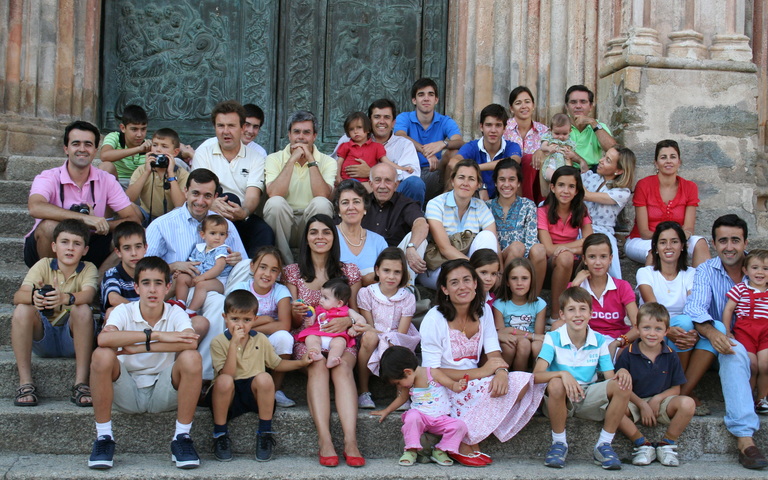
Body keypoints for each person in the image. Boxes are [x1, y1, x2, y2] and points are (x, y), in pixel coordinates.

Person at [419, 259, 545, 466]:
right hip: (444, 384)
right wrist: (484, 372)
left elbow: (494, 350)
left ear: (476, 284)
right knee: (494, 387)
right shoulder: (434, 318)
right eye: (455, 282)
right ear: (444, 289)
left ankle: (466, 435)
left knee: (523, 383)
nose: (463, 287)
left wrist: (502, 373)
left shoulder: (483, 311)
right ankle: (462, 442)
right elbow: (431, 371)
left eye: (467, 280)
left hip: (473, 382)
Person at [88, 257, 202, 470]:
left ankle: (182, 437)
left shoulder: (175, 312)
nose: (152, 290)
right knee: (102, 355)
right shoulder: (124, 311)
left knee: (191, 357)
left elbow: (190, 342)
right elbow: (104, 340)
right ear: (136, 287)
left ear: (168, 287)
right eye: (146, 283)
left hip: (163, 390)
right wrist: (156, 335)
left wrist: (142, 346)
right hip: (126, 389)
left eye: (158, 283)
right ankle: (104, 438)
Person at [683, 214, 767, 469]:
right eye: (723, 241)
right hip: (717, 345)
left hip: (756, 342)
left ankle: (748, 431)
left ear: (745, 242)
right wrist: (714, 333)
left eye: (735, 240)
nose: (729, 247)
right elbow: (695, 308)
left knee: (735, 350)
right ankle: (745, 439)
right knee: (728, 346)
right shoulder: (706, 270)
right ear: (713, 243)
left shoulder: (761, 269)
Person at [146, 168, 246, 380]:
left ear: (215, 197)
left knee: (221, 301)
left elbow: (244, 263)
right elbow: (144, 267)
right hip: (176, 289)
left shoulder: (223, 224)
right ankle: (193, 373)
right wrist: (173, 266)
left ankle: (204, 376)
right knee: (217, 302)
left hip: (214, 285)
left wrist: (236, 260)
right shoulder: (163, 224)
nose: (201, 201)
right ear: (185, 192)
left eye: (207, 196)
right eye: (196, 194)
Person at [282, 214, 364, 466]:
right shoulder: (293, 272)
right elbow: (293, 323)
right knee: (318, 365)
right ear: (305, 238)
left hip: (342, 337)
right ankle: (325, 440)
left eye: (326, 232)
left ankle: (351, 440)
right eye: (313, 232)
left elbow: (356, 313)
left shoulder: (349, 271)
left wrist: (347, 322)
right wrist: (298, 316)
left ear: (333, 236)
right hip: (308, 338)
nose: (320, 237)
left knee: (340, 368)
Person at [534, 286, 632, 470]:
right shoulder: (552, 338)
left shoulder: (600, 340)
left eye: (582, 309)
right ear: (562, 315)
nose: (577, 315)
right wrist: (563, 374)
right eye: (571, 309)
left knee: (622, 385)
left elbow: (610, 378)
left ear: (591, 313)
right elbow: (536, 376)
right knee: (555, 383)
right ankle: (559, 443)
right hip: (560, 400)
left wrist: (622, 373)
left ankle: (604, 445)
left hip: (587, 395)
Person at [207, 289, 311, 462]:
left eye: (247, 320)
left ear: (255, 320)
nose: (240, 325)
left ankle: (264, 433)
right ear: (225, 317)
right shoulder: (218, 342)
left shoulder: (260, 339)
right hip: (227, 394)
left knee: (265, 378)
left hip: (252, 391)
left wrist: (301, 363)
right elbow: (228, 374)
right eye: (234, 319)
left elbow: (276, 364)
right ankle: (220, 434)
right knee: (224, 380)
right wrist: (233, 345)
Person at [25, 120, 142, 269]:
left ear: (95, 150)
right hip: (52, 245)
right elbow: (35, 207)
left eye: (88, 144)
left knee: (131, 235)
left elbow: (133, 219)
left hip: (90, 242)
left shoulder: (106, 179)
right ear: (66, 149)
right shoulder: (48, 177)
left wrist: (101, 225)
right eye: (76, 144)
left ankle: (96, 285)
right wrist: (86, 219)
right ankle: (51, 282)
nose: (82, 149)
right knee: (48, 226)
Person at [12, 219, 98, 407]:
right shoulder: (43, 264)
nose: (70, 248)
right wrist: (34, 296)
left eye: (77, 244)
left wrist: (66, 298)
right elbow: (18, 295)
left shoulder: (89, 268)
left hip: (72, 338)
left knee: (82, 308)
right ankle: (25, 383)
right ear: (54, 246)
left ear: (85, 250)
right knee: (22, 308)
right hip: (44, 336)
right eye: (64, 242)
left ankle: (81, 383)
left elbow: (89, 294)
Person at [636, 222, 709, 412]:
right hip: (656, 327)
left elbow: (695, 306)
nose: (668, 247)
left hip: (686, 328)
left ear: (683, 246)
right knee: (683, 322)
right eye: (663, 242)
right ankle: (676, 385)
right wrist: (671, 328)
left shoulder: (692, 274)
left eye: (674, 241)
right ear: (656, 248)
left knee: (716, 330)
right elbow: (652, 308)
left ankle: (683, 389)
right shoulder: (645, 273)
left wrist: (691, 330)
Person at [616, 302, 695, 467]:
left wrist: (657, 399)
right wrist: (641, 405)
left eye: (658, 329)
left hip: (661, 403)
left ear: (666, 331)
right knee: (611, 407)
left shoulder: (671, 355)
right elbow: (620, 386)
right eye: (646, 328)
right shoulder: (627, 354)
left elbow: (676, 388)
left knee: (688, 403)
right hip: (633, 400)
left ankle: (667, 444)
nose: (652, 334)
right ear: (637, 328)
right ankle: (642, 444)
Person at [192, 100, 274, 256]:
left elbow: (252, 195)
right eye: (220, 126)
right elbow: (200, 188)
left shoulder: (256, 157)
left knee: (264, 231)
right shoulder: (204, 152)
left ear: (242, 128)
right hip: (210, 213)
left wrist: (244, 212)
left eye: (231, 126)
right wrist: (212, 204)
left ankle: (253, 273)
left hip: (240, 215)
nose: (225, 131)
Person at [372, 346, 468, 467]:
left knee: (460, 426)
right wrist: (386, 410)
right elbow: (402, 398)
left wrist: (458, 386)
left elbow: (452, 385)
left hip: (440, 419)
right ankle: (411, 450)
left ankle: (441, 450)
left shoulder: (433, 373)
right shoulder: (408, 383)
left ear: (408, 372)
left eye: (398, 383)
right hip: (421, 419)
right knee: (412, 415)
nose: (399, 386)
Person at [263, 110, 336, 264]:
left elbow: (323, 195)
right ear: (289, 135)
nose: (301, 137)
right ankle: (284, 264)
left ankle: (310, 263)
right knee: (275, 203)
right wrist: (291, 160)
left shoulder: (328, 162)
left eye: (306, 132)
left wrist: (310, 159)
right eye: (296, 132)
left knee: (321, 203)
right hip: (283, 222)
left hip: (310, 221)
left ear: (314, 136)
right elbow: (274, 193)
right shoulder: (273, 159)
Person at [228, 246, 296, 408]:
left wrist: (253, 326)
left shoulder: (280, 291)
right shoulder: (241, 289)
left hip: (268, 340)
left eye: (274, 270)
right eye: (263, 267)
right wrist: (266, 320)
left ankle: (276, 389)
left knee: (284, 338)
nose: (267, 274)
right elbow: (235, 324)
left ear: (278, 273)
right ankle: (238, 386)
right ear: (252, 267)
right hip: (244, 339)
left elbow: (285, 325)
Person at [625, 139, 709, 267]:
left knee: (700, 243)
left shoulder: (690, 187)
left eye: (673, 157)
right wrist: (669, 241)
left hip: (677, 240)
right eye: (663, 157)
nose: (668, 161)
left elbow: (688, 228)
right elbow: (644, 232)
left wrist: (677, 240)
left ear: (679, 162)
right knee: (657, 251)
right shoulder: (644, 185)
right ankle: (652, 286)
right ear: (656, 163)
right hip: (643, 241)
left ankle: (701, 285)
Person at [354, 248, 418, 409]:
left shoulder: (407, 298)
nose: (391, 276)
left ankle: (401, 391)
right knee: (370, 336)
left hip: (397, 340)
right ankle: (363, 391)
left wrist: (386, 337)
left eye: (397, 272)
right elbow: (369, 327)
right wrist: (378, 334)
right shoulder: (366, 293)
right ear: (377, 270)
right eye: (386, 270)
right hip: (372, 339)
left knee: (394, 340)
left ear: (403, 274)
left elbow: (401, 334)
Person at [420, 160, 499, 290]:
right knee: (459, 278)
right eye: (461, 177)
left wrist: (497, 271)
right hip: (439, 266)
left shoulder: (481, 207)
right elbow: (445, 248)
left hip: (471, 267)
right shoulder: (436, 204)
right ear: (452, 181)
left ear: (478, 184)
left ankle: (482, 301)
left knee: (488, 236)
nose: (465, 183)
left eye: (471, 179)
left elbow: (493, 243)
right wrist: (475, 269)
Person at [332, 99, 424, 205]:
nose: (381, 121)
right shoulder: (349, 139)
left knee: (415, 183)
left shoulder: (404, 144)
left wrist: (372, 173)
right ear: (369, 121)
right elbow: (333, 164)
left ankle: (412, 218)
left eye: (387, 117)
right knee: (352, 186)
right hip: (360, 194)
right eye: (377, 117)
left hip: (394, 195)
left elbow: (412, 175)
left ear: (393, 122)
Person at [566, 233, 639, 358]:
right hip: (585, 341)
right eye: (592, 257)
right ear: (584, 259)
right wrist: (575, 285)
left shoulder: (622, 286)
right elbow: (564, 322)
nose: (598, 262)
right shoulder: (576, 286)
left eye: (603, 257)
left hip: (616, 341)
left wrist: (619, 342)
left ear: (610, 259)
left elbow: (638, 325)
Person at [537, 165, 593, 323]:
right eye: (561, 185)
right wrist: (577, 245)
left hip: (571, 263)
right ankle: (554, 313)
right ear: (552, 187)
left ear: (576, 191)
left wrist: (567, 247)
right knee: (565, 257)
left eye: (571, 186)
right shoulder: (543, 211)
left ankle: (557, 314)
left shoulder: (581, 210)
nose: (566, 191)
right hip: (548, 263)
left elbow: (590, 244)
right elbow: (548, 249)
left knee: (568, 256)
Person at [394, 78, 463, 201]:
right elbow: (400, 135)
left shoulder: (445, 121)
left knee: (454, 152)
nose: (426, 98)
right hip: (409, 173)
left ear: (436, 100)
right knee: (413, 183)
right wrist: (425, 151)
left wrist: (443, 143)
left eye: (430, 94)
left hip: (435, 171)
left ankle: (447, 197)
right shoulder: (404, 118)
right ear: (414, 100)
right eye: (421, 94)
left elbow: (460, 142)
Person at [362, 163, 429, 285]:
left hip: (397, 262)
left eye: (388, 181)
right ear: (371, 184)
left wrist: (411, 247)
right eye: (378, 180)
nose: (382, 186)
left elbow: (421, 223)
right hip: (367, 261)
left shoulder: (405, 203)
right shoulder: (361, 203)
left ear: (396, 184)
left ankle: (407, 291)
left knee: (419, 240)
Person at [487, 158, 546, 291]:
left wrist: (520, 264)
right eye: (502, 179)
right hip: (497, 260)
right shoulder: (487, 207)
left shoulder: (528, 206)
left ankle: (534, 302)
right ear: (495, 183)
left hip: (523, 259)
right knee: (516, 248)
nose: (506, 184)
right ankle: (501, 294)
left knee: (537, 249)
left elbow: (530, 241)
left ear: (519, 183)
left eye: (512, 179)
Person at [723, 249, 768, 414]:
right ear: (745, 270)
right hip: (745, 331)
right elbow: (728, 310)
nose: (760, 272)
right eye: (755, 267)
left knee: (765, 365)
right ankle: (747, 399)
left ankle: (762, 399)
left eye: (765, 269)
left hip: (766, 332)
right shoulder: (740, 288)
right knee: (752, 365)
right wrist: (727, 330)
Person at [580, 145, 636, 279]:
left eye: (608, 160)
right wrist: (575, 159)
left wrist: (573, 175)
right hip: (581, 226)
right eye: (604, 156)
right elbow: (581, 172)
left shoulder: (622, 192)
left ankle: (617, 288)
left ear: (619, 171)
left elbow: (585, 195)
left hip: (602, 230)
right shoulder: (593, 178)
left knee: (609, 256)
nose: (601, 160)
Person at [533, 85, 616, 171]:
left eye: (583, 102)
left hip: (593, 171)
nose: (578, 106)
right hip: (565, 170)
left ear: (590, 106)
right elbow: (547, 146)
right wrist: (539, 151)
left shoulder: (598, 126)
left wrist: (593, 123)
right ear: (566, 106)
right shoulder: (560, 126)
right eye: (573, 102)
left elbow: (614, 151)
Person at [450, 104, 522, 200]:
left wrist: (476, 168)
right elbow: (453, 163)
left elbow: (514, 162)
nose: (493, 130)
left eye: (498, 125)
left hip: (505, 197)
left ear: (504, 128)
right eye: (488, 125)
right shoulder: (472, 146)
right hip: (475, 196)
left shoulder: (512, 146)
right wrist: (480, 187)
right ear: (481, 127)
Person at [493, 258, 547, 371]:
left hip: (529, 344)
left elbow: (539, 336)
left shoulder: (539, 304)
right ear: (507, 282)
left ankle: (527, 378)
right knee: (522, 343)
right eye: (514, 278)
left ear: (532, 280)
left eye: (524, 278)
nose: (519, 283)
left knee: (527, 344)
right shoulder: (499, 304)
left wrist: (512, 331)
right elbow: (501, 333)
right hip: (509, 343)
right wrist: (528, 336)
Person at [126, 128, 189, 225]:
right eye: (155, 145)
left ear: (175, 152)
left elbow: (180, 205)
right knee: (128, 206)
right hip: (146, 215)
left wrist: (171, 174)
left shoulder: (182, 174)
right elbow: (128, 198)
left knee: (180, 211)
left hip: (171, 219)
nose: (158, 149)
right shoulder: (141, 170)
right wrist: (147, 172)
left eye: (164, 146)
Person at [173, 215, 233, 316]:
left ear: (226, 236)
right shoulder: (199, 248)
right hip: (199, 276)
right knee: (182, 278)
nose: (217, 237)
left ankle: (191, 311)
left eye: (222, 234)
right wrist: (182, 271)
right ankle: (180, 303)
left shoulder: (222, 250)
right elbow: (191, 263)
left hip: (218, 280)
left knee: (202, 285)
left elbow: (219, 268)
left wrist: (203, 277)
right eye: (213, 233)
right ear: (203, 235)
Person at [336, 111, 412, 190]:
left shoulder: (376, 147)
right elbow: (339, 162)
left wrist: (402, 168)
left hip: (367, 182)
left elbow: (387, 162)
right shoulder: (345, 145)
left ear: (368, 129)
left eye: (359, 127)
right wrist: (338, 176)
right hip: (347, 181)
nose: (355, 131)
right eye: (351, 129)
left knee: (372, 191)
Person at [334, 180, 388, 286]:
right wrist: (365, 279)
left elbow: (387, 273)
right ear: (339, 211)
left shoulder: (378, 241)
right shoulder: (329, 236)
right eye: (345, 203)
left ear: (365, 209)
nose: (351, 207)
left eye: (356, 202)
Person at [295, 278, 357, 369]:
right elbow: (311, 319)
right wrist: (310, 321)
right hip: (318, 333)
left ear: (339, 303)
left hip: (336, 336)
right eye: (321, 296)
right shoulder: (319, 309)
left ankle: (332, 358)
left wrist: (353, 327)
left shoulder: (347, 311)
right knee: (311, 338)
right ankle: (315, 352)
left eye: (325, 298)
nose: (321, 300)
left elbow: (360, 319)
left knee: (340, 343)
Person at [503, 86, 549, 202]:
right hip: (509, 176)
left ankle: (543, 206)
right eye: (518, 103)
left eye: (527, 102)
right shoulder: (503, 129)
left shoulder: (544, 131)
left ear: (533, 105)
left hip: (537, 181)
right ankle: (527, 203)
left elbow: (553, 152)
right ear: (512, 108)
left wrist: (541, 151)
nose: (524, 106)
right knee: (527, 159)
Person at [101, 221, 145, 318]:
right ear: (118, 252)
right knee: (112, 312)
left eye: (138, 247)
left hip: (146, 321)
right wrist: (142, 312)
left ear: (145, 248)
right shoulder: (112, 274)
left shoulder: (151, 272)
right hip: (124, 321)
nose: (134, 253)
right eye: (127, 248)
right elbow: (113, 299)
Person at [98, 105, 150, 185]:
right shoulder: (115, 137)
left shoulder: (149, 146)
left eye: (143, 129)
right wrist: (139, 149)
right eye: (134, 129)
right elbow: (104, 156)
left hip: (140, 187)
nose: (139, 134)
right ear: (123, 128)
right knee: (105, 166)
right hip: (116, 186)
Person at [538, 113, 577, 194]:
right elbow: (543, 146)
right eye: (557, 133)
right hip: (551, 164)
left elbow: (572, 154)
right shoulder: (549, 138)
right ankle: (556, 188)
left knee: (569, 177)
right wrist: (549, 148)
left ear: (570, 131)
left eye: (564, 134)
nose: (561, 137)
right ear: (550, 130)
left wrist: (570, 153)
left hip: (564, 164)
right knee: (553, 177)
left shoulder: (569, 142)